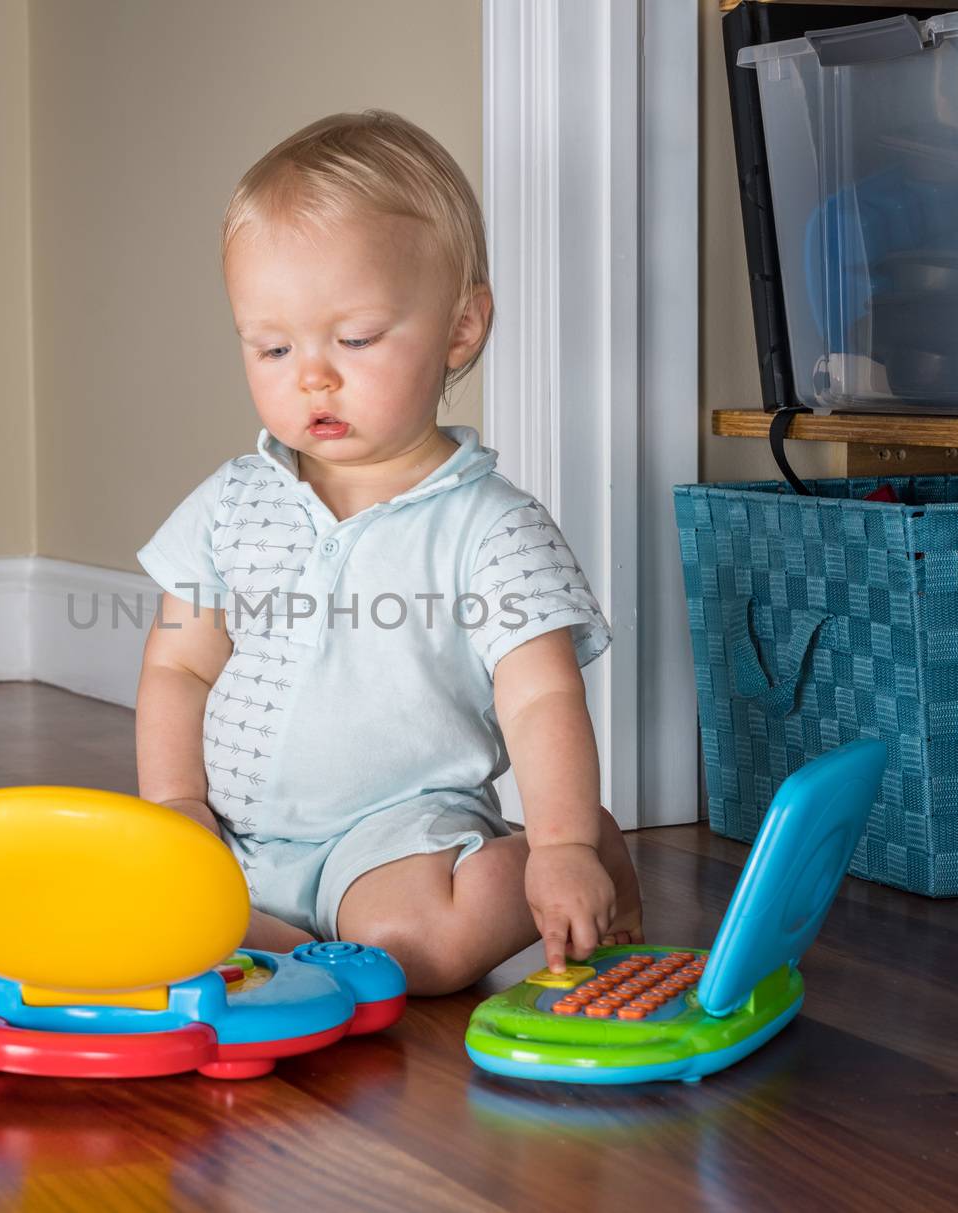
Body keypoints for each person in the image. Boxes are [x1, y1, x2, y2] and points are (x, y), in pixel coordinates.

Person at [133, 110, 642, 996]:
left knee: (415, 947)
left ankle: (576, 850)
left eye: (356, 339)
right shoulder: (230, 503)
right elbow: (179, 666)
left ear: (460, 330)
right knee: (160, 909)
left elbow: (541, 694)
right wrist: (177, 809)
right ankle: (264, 931)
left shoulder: (491, 526)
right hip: (239, 836)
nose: (312, 375)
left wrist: (558, 843)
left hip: (395, 837)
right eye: (274, 346)